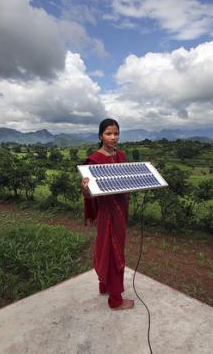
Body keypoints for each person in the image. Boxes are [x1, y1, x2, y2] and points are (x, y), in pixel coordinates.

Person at [81, 118, 134, 310]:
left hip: (121, 211)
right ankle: (115, 300)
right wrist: (86, 190)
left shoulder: (121, 156)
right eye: (108, 133)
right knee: (111, 251)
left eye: (116, 133)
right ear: (100, 135)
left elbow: (125, 182)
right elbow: (89, 194)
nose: (113, 137)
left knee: (111, 248)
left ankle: (104, 286)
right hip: (107, 214)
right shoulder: (94, 160)